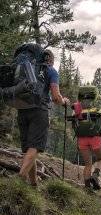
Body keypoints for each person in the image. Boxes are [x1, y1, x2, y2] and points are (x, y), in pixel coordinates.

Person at [18, 49, 70, 186]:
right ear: (51, 60)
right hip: (39, 111)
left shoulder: (27, 68)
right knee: (35, 147)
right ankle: (19, 180)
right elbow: (55, 97)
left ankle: (34, 184)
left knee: (28, 149)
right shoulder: (51, 71)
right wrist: (64, 101)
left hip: (22, 109)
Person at [71, 86, 101, 190]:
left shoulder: (76, 108)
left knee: (88, 164)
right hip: (95, 138)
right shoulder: (99, 108)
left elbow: (73, 120)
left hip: (81, 139)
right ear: (94, 96)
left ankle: (87, 188)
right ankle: (95, 175)